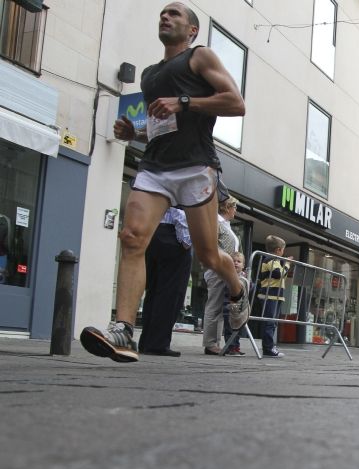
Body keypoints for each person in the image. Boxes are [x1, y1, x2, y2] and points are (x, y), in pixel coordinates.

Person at [79, 2, 249, 363]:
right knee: (132, 236)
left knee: (206, 254)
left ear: (191, 30)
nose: (165, 16)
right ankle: (124, 328)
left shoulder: (200, 57)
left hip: (195, 167)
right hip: (155, 166)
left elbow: (236, 103)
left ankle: (237, 289)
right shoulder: (150, 75)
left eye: (174, 14)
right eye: (162, 13)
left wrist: (183, 102)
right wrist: (135, 132)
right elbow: (162, 125)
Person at [138, 207, 192, 357]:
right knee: (171, 294)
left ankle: (146, 341)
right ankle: (158, 343)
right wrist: (187, 240)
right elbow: (180, 215)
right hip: (172, 238)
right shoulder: (181, 196)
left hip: (153, 233)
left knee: (153, 291)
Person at [203, 196, 240, 355]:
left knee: (219, 308)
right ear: (227, 207)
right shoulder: (217, 223)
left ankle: (214, 343)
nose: (236, 211)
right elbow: (210, 245)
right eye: (235, 207)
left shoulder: (225, 225)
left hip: (225, 270)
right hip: (217, 269)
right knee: (214, 306)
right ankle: (210, 343)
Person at [258, 235, 292, 358]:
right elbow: (279, 274)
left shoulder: (273, 260)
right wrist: (287, 264)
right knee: (270, 323)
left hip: (274, 296)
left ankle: (269, 346)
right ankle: (268, 348)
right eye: (283, 249)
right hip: (270, 296)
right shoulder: (272, 260)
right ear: (278, 250)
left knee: (272, 323)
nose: (283, 252)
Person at [222, 251, 247, 355]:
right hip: (229, 305)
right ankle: (230, 347)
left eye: (239, 261)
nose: (236, 263)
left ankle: (236, 347)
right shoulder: (228, 274)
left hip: (240, 307)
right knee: (229, 327)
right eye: (233, 261)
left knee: (238, 328)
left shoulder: (245, 276)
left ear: (243, 265)